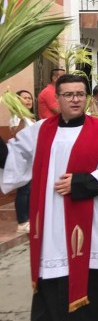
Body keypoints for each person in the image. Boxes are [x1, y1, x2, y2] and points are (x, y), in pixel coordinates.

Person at [0, 74, 98, 321]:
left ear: (87, 98)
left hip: (87, 216)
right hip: (48, 217)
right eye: (68, 94)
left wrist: (81, 182)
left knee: (89, 267)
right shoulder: (41, 130)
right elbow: (13, 158)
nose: (75, 99)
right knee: (53, 271)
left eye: (80, 94)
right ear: (56, 99)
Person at [8, 89, 35, 233]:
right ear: (17, 101)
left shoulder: (30, 117)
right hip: (22, 157)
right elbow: (15, 134)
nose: (28, 100)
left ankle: (29, 217)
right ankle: (22, 221)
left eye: (30, 98)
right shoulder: (16, 117)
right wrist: (22, 120)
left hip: (31, 157)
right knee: (23, 190)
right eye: (24, 98)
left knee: (30, 189)